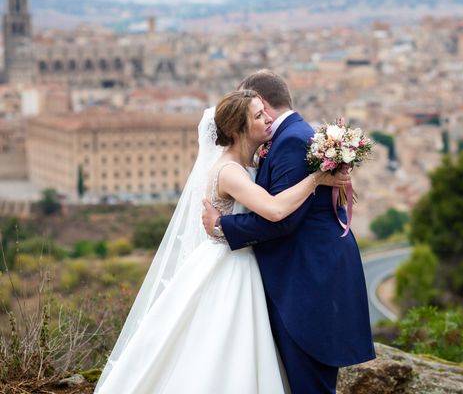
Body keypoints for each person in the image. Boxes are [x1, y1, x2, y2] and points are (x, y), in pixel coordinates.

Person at [95, 90, 348, 394]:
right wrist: (317, 179)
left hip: (243, 261)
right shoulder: (229, 171)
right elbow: (275, 209)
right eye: (258, 116)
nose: (268, 118)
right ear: (236, 129)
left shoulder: (251, 163)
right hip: (230, 267)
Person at [202, 70, 376, 394]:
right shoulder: (287, 137)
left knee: (309, 383)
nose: (258, 119)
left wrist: (221, 225)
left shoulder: (292, 140)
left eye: (254, 110)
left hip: (306, 279)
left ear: (264, 104)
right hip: (297, 273)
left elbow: (282, 218)